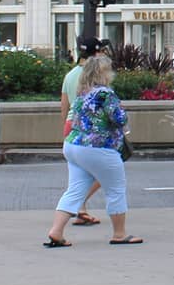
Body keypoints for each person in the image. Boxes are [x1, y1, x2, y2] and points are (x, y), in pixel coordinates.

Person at [45, 54, 142, 246]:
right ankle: (119, 234)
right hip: (98, 148)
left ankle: (56, 231)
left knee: (74, 190)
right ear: (103, 73)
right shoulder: (106, 94)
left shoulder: (83, 93)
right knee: (115, 189)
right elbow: (119, 119)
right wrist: (123, 112)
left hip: (73, 144)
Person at [59, 37, 104, 227]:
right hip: (89, 127)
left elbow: (64, 105)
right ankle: (76, 204)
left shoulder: (70, 75)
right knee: (105, 170)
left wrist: (65, 128)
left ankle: (81, 210)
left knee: (77, 173)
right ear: (96, 53)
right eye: (101, 51)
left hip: (71, 125)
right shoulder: (95, 76)